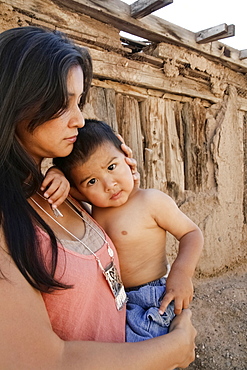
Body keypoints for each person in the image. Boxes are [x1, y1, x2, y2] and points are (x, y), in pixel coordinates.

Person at [0, 25, 197, 369]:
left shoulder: (60, 192)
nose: (79, 119)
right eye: (63, 104)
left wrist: (119, 180)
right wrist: (175, 348)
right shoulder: (8, 219)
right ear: (14, 103)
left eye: (79, 102)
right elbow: (42, 361)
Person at [53, 119, 204, 342]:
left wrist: (181, 273)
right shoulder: (95, 206)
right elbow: (67, 191)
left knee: (144, 356)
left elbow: (192, 233)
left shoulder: (151, 201)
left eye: (112, 167)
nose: (109, 184)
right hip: (117, 298)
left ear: (126, 154)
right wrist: (56, 174)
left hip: (151, 299)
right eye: (92, 181)